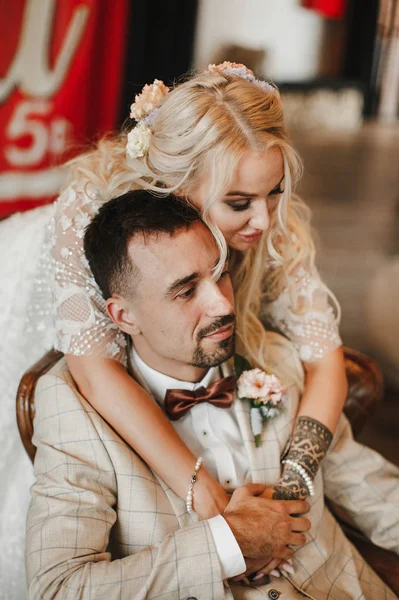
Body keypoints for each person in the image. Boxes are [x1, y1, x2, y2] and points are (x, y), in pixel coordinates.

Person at [0, 62, 346, 592]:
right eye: (238, 203)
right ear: (180, 187)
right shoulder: (92, 210)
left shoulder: (270, 220)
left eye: (274, 191)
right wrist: (207, 497)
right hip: (24, 284)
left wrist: (293, 481)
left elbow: (326, 362)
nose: (264, 219)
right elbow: (95, 375)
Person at [26, 191, 399, 599]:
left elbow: (361, 481)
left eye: (219, 273)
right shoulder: (71, 407)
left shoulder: (273, 356)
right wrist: (227, 543)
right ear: (123, 316)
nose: (222, 304)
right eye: (186, 291)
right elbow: (59, 590)